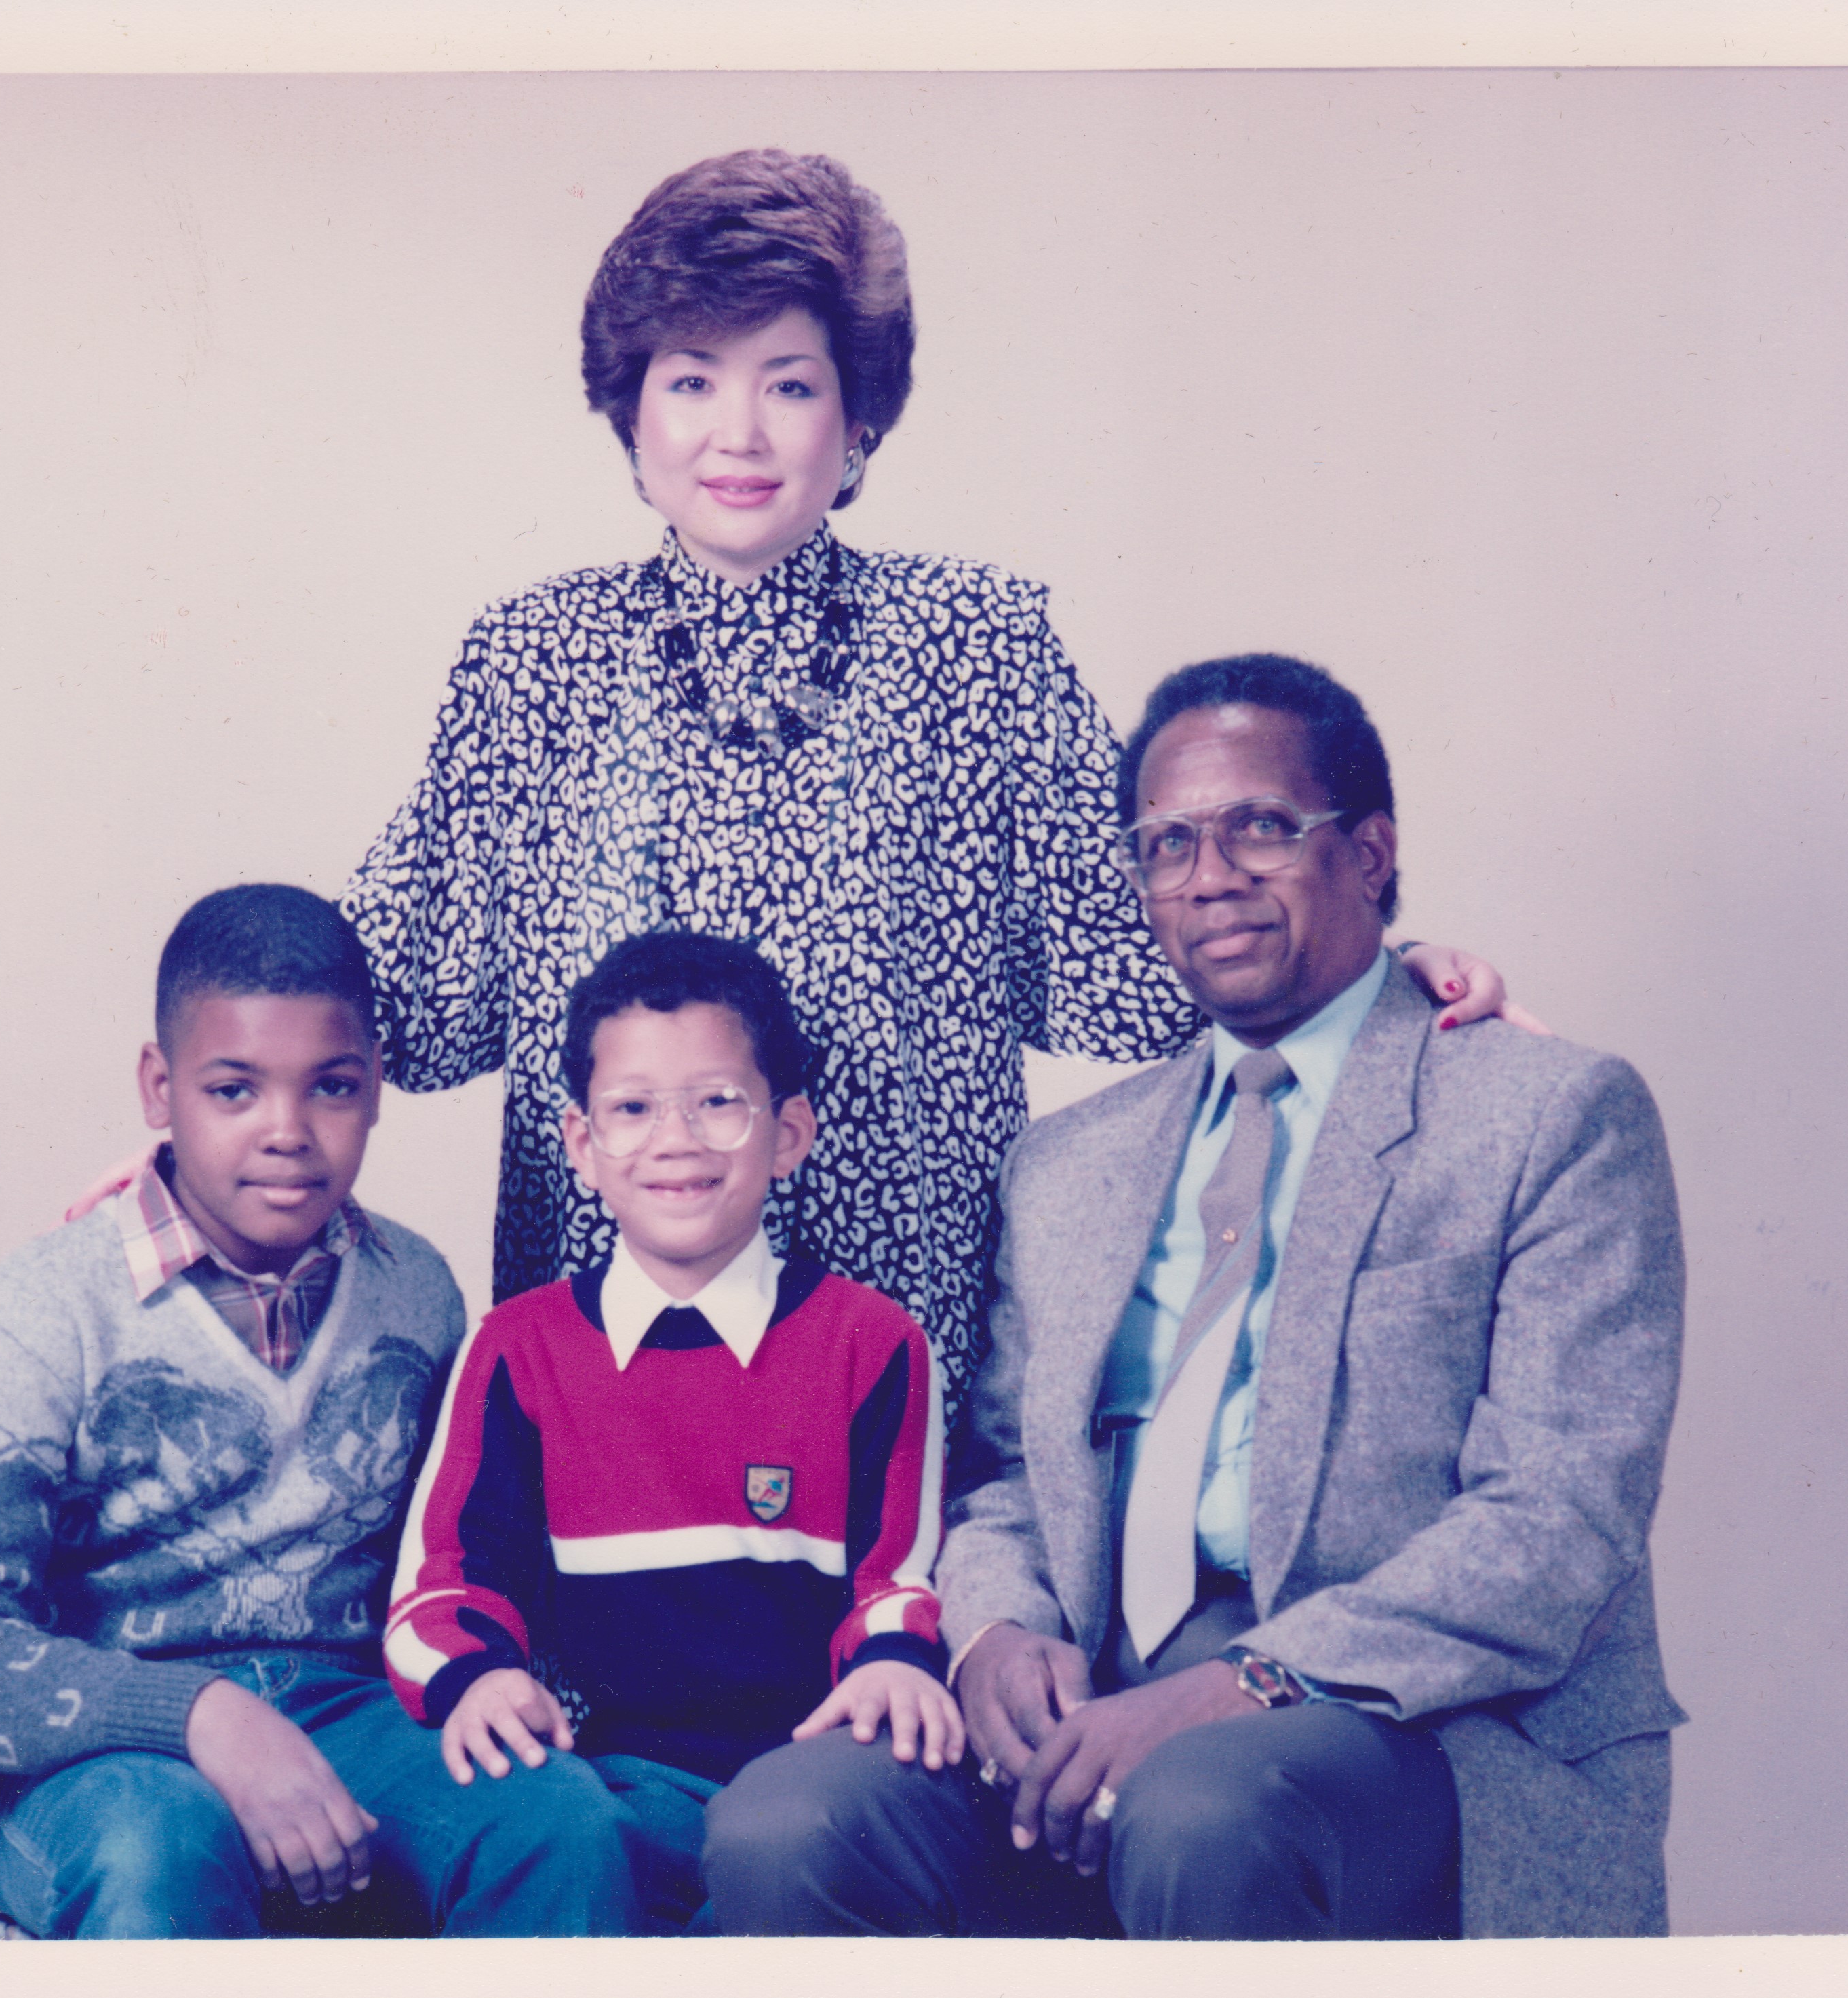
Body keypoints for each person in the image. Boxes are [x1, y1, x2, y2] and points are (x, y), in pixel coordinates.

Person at [334, 148, 1520, 1407]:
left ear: (858, 418)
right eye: (691, 380)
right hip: (601, 1363)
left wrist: (1377, 975)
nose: (738, 432)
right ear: (631, 412)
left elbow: (1148, 960)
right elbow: (396, 992)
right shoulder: (533, 658)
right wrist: (214, 1105)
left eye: (789, 383)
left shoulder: (976, 645)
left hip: (904, 1348)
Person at [699, 654, 1687, 1938]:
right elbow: (1004, 1474)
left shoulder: (1546, 1113)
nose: (1208, 875)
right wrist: (995, 1635)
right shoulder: (1070, 1161)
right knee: (791, 1821)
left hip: (1420, 1719)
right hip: (1098, 1692)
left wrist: (1245, 1681)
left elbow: (1558, 1518)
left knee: (1201, 1807)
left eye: (1259, 826)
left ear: (1370, 851)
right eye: (1166, 844)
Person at [0, 884, 646, 1938]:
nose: (286, 1131)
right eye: (233, 1090)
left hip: (350, 1718)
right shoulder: (40, 1310)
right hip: (101, 1760)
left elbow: (444, 1565)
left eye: (330, 1087)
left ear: (375, 1085)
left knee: (556, 1822)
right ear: (160, 1089)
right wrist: (203, 1713)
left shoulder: (417, 1290)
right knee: (164, 1845)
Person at [383, 931, 960, 1932]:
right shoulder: (518, 1349)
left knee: (779, 1870)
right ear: (582, 1145)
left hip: (818, 1775)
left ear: (788, 1134)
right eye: (633, 1108)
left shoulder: (872, 1343)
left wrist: (889, 1663)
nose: (676, 1140)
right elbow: (444, 1586)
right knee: (568, 1864)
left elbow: (897, 1582)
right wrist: (479, 1679)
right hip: (626, 1784)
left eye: (717, 1102)